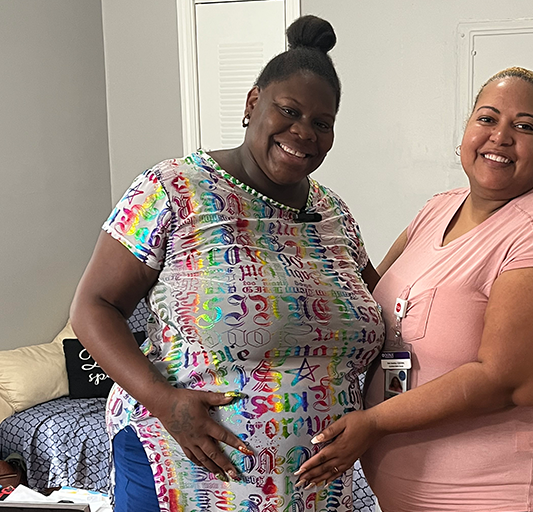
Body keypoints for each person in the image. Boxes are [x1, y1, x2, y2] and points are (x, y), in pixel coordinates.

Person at [70, 15, 384, 512]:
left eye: (321, 123)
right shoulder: (173, 189)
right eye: (289, 110)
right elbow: (93, 305)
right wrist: (163, 400)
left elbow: (382, 304)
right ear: (253, 103)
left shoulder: (334, 213)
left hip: (311, 487)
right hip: (186, 467)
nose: (303, 132)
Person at [294, 67, 533, 511]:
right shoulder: (439, 208)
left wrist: (374, 422)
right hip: (412, 487)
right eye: (488, 119)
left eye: (524, 126)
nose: (500, 136)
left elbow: (505, 380)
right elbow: (374, 297)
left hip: (512, 490)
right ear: (466, 131)